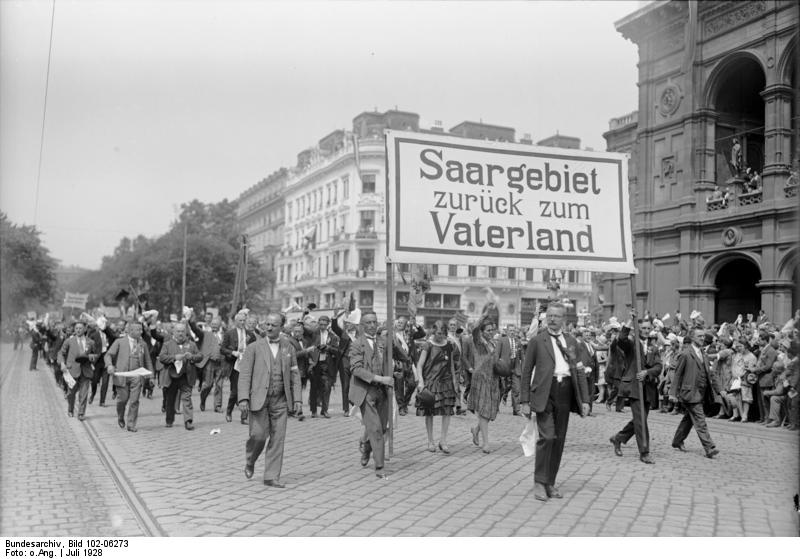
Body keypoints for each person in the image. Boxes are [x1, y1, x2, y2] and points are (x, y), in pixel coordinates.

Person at [520, 302, 589, 502]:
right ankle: (539, 482)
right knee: (547, 437)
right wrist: (525, 400)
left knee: (558, 440)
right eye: (549, 315)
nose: (552, 319)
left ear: (563, 319)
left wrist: (585, 400)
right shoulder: (537, 341)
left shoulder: (572, 341)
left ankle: (550, 482)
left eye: (556, 316)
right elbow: (526, 372)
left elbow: (579, 370)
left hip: (565, 392)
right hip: (545, 392)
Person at [238, 313, 301, 488]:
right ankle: (250, 460)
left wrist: (298, 400)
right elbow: (244, 375)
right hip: (258, 399)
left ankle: (271, 476)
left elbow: (295, 375)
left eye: (274, 325)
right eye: (267, 324)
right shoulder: (254, 347)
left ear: (281, 327)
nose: (270, 328)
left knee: (277, 438)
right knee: (258, 435)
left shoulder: (288, 347)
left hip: (280, 400)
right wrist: (243, 398)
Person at [608, 318, 662, 464]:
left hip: (647, 388)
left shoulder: (653, 347)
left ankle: (618, 438)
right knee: (641, 422)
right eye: (643, 328)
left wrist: (647, 372)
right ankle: (644, 452)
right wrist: (629, 322)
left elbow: (658, 366)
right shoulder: (632, 344)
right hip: (634, 387)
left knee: (640, 419)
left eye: (647, 328)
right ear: (638, 328)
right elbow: (621, 339)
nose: (645, 330)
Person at [348, 312, 394, 478]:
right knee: (374, 429)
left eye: (375, 322)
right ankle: (380, 467)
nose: (373, 325)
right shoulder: (356, 345)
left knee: (381, 429)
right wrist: (379, 378)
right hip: (366, 391)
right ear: (362, 325)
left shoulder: (383, 343)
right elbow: (356, 369)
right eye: (368, 323)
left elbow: (394, 358)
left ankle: (367, 447)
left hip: (383, 391)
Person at [669, 327, 721, 459]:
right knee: (700, 419)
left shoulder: (703, 353)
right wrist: (673, 393)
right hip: (690, 393)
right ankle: (709, 447)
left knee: (689, 419)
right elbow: (678, 374)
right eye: (699, 336)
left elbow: (710, 374)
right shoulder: (686, 354)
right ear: (692, 338)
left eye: (703, 336)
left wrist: (720, 390)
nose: (702, 338)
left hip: (701, 392)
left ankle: (677, 441)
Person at [465, 316, 511, 454]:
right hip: (480, 379)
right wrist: (482, 318)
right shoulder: (478, 341)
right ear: (482, 330)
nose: (491, 332)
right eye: (488, 330)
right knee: (484, 411)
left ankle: (476, 430)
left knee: (490, 411)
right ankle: (486, 443)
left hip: (493, 379)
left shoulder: (494, 343)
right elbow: (474, 331)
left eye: (492, 329)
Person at [414, 320, 457, 453]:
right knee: (429, 412)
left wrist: (454, 381)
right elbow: (420, 365)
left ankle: (443, 440)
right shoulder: (428, 345)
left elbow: (451, 365)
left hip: (446, 381)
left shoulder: (449, 345)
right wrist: (420, 381)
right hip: (431, 381)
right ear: (434, 332)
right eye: (438, 333)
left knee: (447, 412)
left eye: (443, 333)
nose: (440, 336)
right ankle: (430, 441)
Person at [105, 321, 154, 432]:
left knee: (134, 400)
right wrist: (109, 365)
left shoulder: (143, 344)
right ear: (130, 330)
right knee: (122, 399)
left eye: (141, 329)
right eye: (138, 330)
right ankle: (120, 416)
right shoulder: (119, 342)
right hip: (122, 375)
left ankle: (131, 424)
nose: (141, 332)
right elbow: (108, 355)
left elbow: (148, 361)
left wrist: (151, 376)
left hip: (137, 376)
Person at [158, 322, 203, 430]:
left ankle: (188, 421)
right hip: (171, 376)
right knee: (170, 399)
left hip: (186, 376)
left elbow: (200, 356)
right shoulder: (167, 344)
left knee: (187, 398)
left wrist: (192, 357)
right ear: (174, 332)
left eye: (182, 331)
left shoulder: (191, 344)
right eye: (178, 331)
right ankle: (169, 420)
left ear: (186, 332)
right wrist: (174, 357)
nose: (180, 333)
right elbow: (162, 357)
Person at [220, 311, 257, 423]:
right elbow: (222, 349)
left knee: (246, 390)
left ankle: (244, 417)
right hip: (234, 365)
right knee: (235, 391)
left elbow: (255, 348)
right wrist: (233, 352)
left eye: (243, 320)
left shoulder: (250, 334)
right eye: (240, 321)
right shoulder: (229, 333)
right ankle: (229, 411)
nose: (242, 322)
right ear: (235, 322)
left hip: (246, 365)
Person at [58, 319, 98, 421]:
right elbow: (61, 353)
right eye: (76, 328)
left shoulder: (91, 342)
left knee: (83, 394)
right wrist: (62, 364)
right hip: (72, 371)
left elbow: (96, 354)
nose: (78, 330)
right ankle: (70, 409)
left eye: (80, 328)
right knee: (71, 393)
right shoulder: (69, 341)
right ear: (74, 330)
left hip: (86, 370)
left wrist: (92, 357)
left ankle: (81, 413)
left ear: (85, 329)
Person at [306, 315, 340, 419]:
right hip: (315, 363)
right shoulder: (313, 334)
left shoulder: (332, 336)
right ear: (318, 324)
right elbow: (307, 348)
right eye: (321, 324)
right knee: (314, 387)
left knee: (327, 387)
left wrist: (328, 348)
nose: (322, 326)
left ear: (328, 324)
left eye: (325, 324)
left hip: (327, 363)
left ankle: (324, 410)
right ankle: (313, 410)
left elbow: (337, 350)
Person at [189, 315, 224, 412]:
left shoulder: (224, 335)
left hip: (220, 363)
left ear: (220, 325)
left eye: (216, 324)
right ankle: (203, 399)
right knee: (208, 385)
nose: (214, 326)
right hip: (209, 362)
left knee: (219, 385)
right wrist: (191, 321)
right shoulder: (205, 334)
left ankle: (217, 406)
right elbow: (196, 330)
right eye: (212, 324)